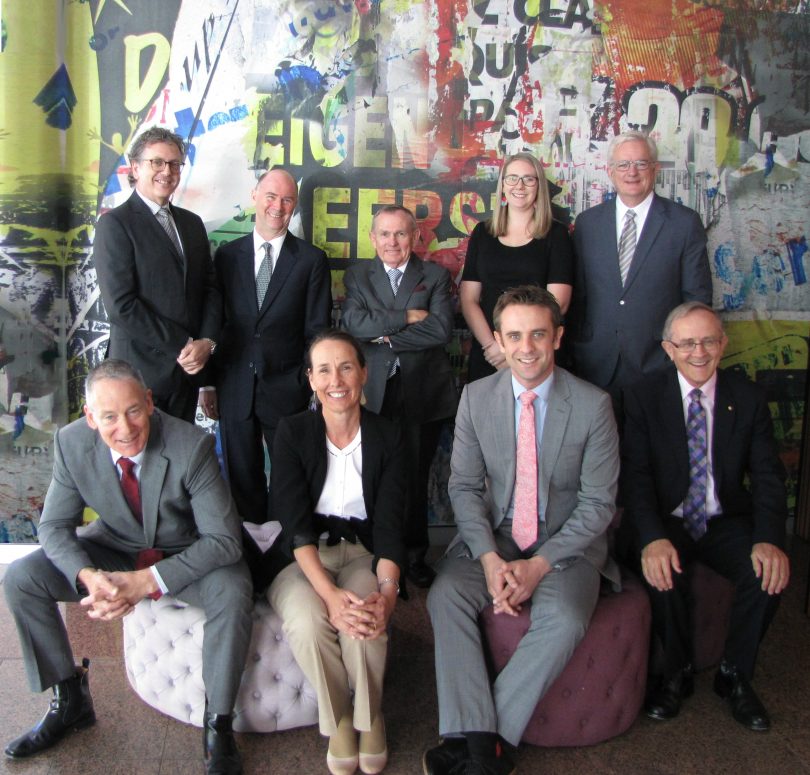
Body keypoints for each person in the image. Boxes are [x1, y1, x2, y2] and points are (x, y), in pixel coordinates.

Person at [3, 360, 252, 774]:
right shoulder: (71, 444)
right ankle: (69, 700)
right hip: (115, 548)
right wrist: (88, 576)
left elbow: (224, 540)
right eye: (109, 416)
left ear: (150, 402)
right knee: (22, 578)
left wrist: (146, 582)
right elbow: (53, 527)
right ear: (90, 418)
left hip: (184, 554)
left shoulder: (191, 446)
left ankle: (218, 724)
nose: (125, 427)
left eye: (134, 410)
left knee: (233, 588)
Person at [424, 285, 619, 775]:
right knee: (445, 594)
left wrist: (538, 566)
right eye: (514, 335)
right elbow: (464, 488)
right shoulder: (476, 397)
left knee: (568, 615)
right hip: (498, 533)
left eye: (537, 334)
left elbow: (598, 505)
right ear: (498, 340)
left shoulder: (593, 405)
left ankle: (480, 740)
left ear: (557, 337)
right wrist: (490, 559)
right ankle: (484, 744)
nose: (526, 347)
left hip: (565, 542)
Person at [621, 302, 790, 731]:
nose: (699, 352)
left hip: (723, 520)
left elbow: (769, 477)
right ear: (669, 348)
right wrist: (650, 537)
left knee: (767, 572)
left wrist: (770, 538)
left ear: (723, 344)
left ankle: (734, 674)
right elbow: (636, 477)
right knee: (664, 572)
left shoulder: (747, 398)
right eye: (688, 342)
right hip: (668, 518)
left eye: (709, 341)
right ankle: (675, 673)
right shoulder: (643, 395)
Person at [267, 330, 405, 775]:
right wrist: (327, 595)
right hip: (304, 560)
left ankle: (370, 717)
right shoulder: (292, 431)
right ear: (310, 379)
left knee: (365, 617)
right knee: (308, 622)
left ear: (364, 373)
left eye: (346, 366)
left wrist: (388, 593)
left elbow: (390, 526)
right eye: (323, 369)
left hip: (366, 553)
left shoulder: (390, 435)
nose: (336, 379)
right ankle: (342, 720)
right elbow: (295, 528)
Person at [206, 168, 332, 575]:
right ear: (255, 196)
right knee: (242, 478)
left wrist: (306, 383)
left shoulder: (311, 260)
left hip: (288, 387)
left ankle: (285, 566)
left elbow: (317, 330)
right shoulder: (226, 257)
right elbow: (214, 322)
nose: (278, 206)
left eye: (288, 200)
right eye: (271, 196)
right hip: (235, 385)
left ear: (294, 206)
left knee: (288, 480)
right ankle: (248, 565)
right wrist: (208, 382)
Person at [341, 204, 457, 589]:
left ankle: (412, 556)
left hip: (420, 391)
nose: (393, 242)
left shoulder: (436, 276)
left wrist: (382, 333)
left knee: (413, 476)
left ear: (416, 237)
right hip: (371, 390)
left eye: (401, 234)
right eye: (385, 234)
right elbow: (354, 324)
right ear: (372, 239)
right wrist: (406, 317)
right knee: (371, 474)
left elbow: (440, 331)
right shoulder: (358, 275)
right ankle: (374, 553)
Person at [571, 130, 712, 402]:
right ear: (610, 171)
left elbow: (697, 299)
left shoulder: (684, 223)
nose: (631, 172)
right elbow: (579, 295)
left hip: (658, 364)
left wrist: (681, 351)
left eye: (641, 164)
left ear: (655, 169)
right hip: (595, 363)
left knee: (653, 445)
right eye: (623, 164)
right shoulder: (588, 223)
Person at [94, 127, 221, 423]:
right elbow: (121, 305)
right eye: (157, 162)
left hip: (186, 376)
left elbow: (211, 289)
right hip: (138, 375)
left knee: (177, 463)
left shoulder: (192, 224)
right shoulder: (115, 225)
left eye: (175, 164)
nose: (167, 171)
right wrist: (184, 344)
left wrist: (207, 342)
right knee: (140, 463)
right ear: (135, 168)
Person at [460, 152, 574, 382]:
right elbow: (468, 299)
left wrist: (518, 348)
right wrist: (495, 346)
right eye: (512, 178)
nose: (519, 186)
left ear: (539, 186)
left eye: (528, 179)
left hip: (534, 353)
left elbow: (558, 302)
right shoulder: (482, 233)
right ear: (502, 185)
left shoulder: (557, 234)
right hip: (489, 353)